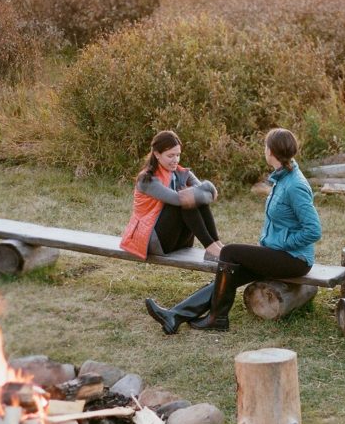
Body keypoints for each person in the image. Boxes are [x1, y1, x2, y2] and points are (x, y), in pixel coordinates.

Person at [145, 127, 321, 335]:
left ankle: (217, 317)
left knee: (229, 252)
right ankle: (175, 315)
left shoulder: (295, 185)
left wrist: (280, 244)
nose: (264, 150)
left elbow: (313, 230)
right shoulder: (282, 179)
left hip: (294, 259)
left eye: (265, 146)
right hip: (279, 253)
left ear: (271, 151)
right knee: (229, 273)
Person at [120, 130, 223, 265]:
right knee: (185, 202)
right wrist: (204, 190)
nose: (175, 160)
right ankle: (211, 248)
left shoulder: (182, 172)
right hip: (150, 241)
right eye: (170, 156)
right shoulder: (147, 179)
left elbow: (206, 196)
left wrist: (208, 186)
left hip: (176, 239)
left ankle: (216, 245)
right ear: (157, 154)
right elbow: (178, 199)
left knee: (191, 200)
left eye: (178, 155)